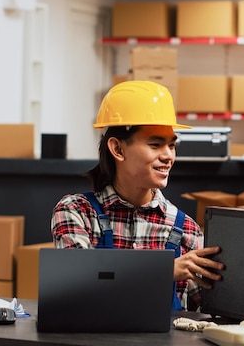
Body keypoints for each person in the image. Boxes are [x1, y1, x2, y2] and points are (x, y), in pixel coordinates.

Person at [51, 80, 223, 311]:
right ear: (118, 149)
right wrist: (164, 271)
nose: (168, 156)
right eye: (155, 144)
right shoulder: (77, 212)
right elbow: (76, 284)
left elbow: (214, 308)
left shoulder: (185, 229)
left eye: (172, 146)